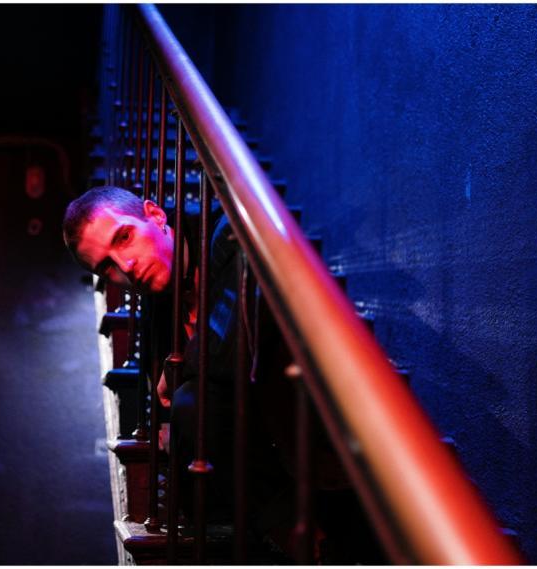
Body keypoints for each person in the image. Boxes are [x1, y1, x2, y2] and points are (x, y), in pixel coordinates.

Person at [63, 185, 385, 563]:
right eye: (107, 266)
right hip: (260, 476)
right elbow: (172, 413)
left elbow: (234, 345)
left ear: (155, 215)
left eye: (124, 237)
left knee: (193, 401)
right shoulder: (157, 311)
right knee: (193, 407)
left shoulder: (229, 230)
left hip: (326, 445)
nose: (126, 266)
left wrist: (177, 372)